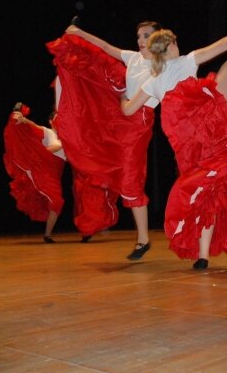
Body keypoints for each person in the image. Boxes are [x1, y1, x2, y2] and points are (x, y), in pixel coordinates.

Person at [121, 0, 227, 270]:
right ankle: (202, 255)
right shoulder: (165, 74)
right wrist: (124, 99)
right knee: (205, 191)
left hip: (205, 124)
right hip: (192, 141)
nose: (180, 46)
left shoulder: (171, 71)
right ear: (167, 47)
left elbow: (129, 110)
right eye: (175, 42)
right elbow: (130, 111)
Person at [64, 21, 162, 260]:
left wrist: (121, 99)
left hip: (138, 122)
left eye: (146, 36)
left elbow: (130, 107)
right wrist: (80, 33)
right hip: (121, 121)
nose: (140, 40)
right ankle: (142, 239)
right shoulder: (134, 58)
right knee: (108, 161)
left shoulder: (160, 66)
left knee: (130, 181)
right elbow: (106, 47)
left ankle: (143, 239)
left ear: (157, 40)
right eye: (138, 35)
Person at [3, 104, 67, 243]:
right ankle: (48, 235)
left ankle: (47, 234)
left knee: (56, 203)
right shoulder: (49, 132)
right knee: (57, 200)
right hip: (43, 169)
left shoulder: (69, 139)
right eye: (57, 118)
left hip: (55, 174)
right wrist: (24, 120)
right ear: (51, 121)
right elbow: (35, 128)